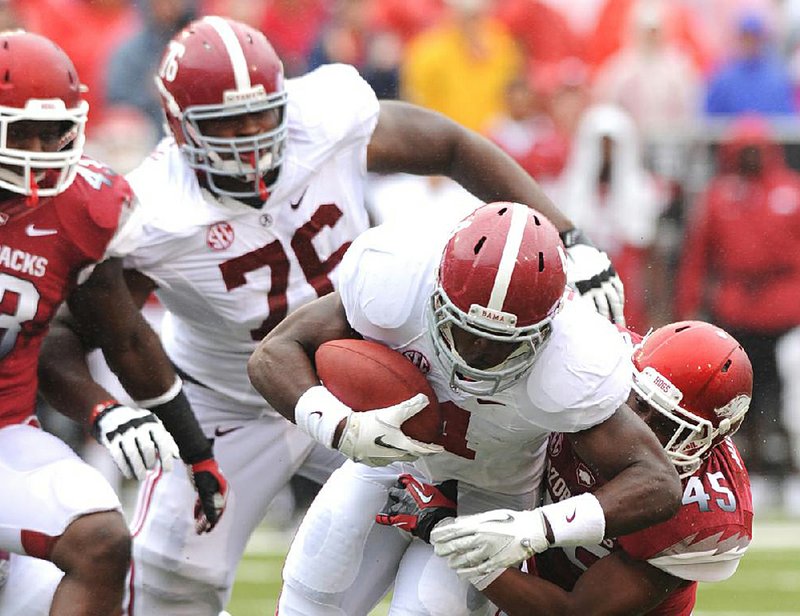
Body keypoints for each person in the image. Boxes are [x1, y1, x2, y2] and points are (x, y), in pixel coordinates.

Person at [37, 15, 626, 616]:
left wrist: (567, 234)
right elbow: (73, 329)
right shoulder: (151, 209)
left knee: (445, 555)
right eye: (226, 125)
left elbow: (449, 144)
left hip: (368, 378)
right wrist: (104, 410)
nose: (249, 138)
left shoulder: (325, 116)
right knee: (171, 576)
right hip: (230, 402)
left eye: (262, 115)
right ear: (180, 128)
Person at [247, 201, 681, 615]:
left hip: (491, 502)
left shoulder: (576, 359)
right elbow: (274, 353)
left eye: (500, 343)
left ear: (548, 328)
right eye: (461, 327)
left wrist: (535, 529)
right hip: (389, 466)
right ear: (436, 293)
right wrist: (340, 427)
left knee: (429, 610)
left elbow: (658, 481)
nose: (474, 351)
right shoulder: (395, 277)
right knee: (314, 591)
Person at [0, 31, 226, 616]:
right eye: (21, 130)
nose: (41, 149)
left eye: (53, 131)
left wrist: (194, 448)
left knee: (102, 540)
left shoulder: (82, 205)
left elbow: (122, 335)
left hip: (7, 433)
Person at [384, 320, 753, 615]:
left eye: (663, 424)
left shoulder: (705, 515)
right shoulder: (595, 366)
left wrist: (444, 529)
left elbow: (573, 611)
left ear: (709, 438)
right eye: (634, 399)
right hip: (528, 562)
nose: (635, 425)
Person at [675, 115, 800, 482]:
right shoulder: (719, 195)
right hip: (735, 307)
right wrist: (689, 307)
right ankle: (742, 465)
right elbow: (698, 256)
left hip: (784, 311)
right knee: (735, 391)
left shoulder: (791, 191)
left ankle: (785, 465)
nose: (750, 157)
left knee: (783, 389)